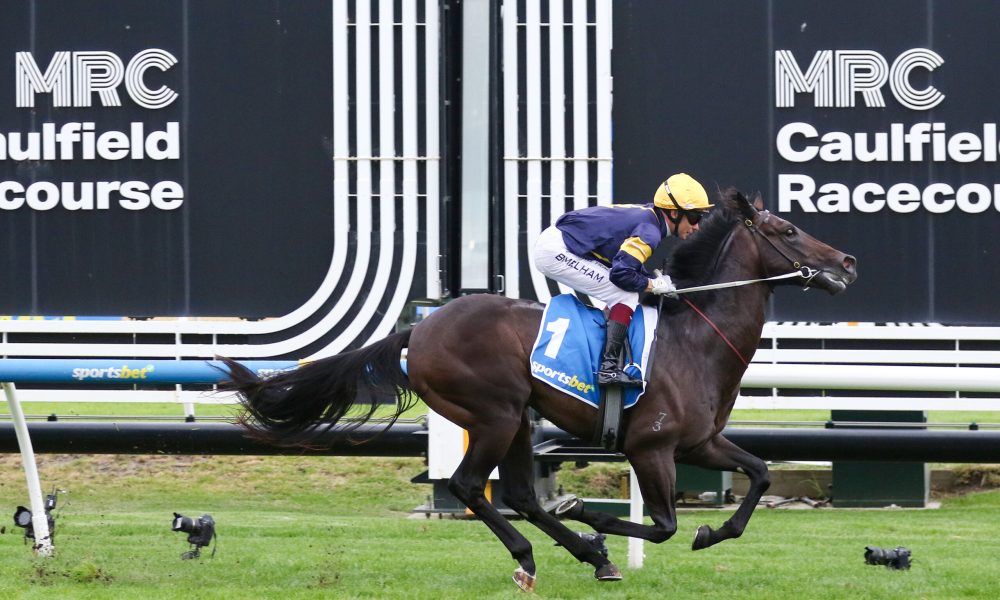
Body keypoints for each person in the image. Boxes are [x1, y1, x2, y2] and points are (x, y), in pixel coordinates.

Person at [532, 172, 713, 386]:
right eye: (694, 217)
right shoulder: (650, 233)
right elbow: (621, 274)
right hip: (556, 251)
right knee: (624, 295)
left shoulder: (650, 218)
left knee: (626, 291)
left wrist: (651, 279)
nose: (697, 226)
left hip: (563, 243)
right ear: (674, 213)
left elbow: (624, 263)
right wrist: (652, 285)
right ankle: (607, 369)